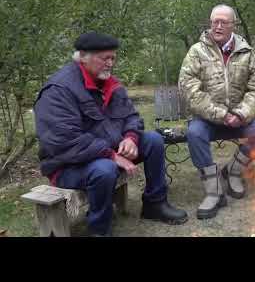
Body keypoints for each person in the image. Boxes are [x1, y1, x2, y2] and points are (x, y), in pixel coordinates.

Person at [34, 32, 188, 236]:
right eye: (104, 58)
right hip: (66, 165)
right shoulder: (59, 89)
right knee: (105, 169)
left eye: (113, 58)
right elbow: (64, 140)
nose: (110, 63)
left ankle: (154, 204)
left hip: (103, 151)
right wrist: (111, 155)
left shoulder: (110, 83)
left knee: (153, 140)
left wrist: (130, 138)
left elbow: (131, 116)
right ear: (83, 57)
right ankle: (99, 229)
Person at [178, 4, 255, 220]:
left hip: (240, 117)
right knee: (195, 133)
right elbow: (188, 89)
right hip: (208, 118)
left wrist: (240, 114)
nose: (218, 26)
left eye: (223, 22)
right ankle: (214, 192)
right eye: (214, 22)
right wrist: (221, 114)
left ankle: (233, 171)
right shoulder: (196, 51)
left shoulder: (246, 53)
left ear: (233, 25)